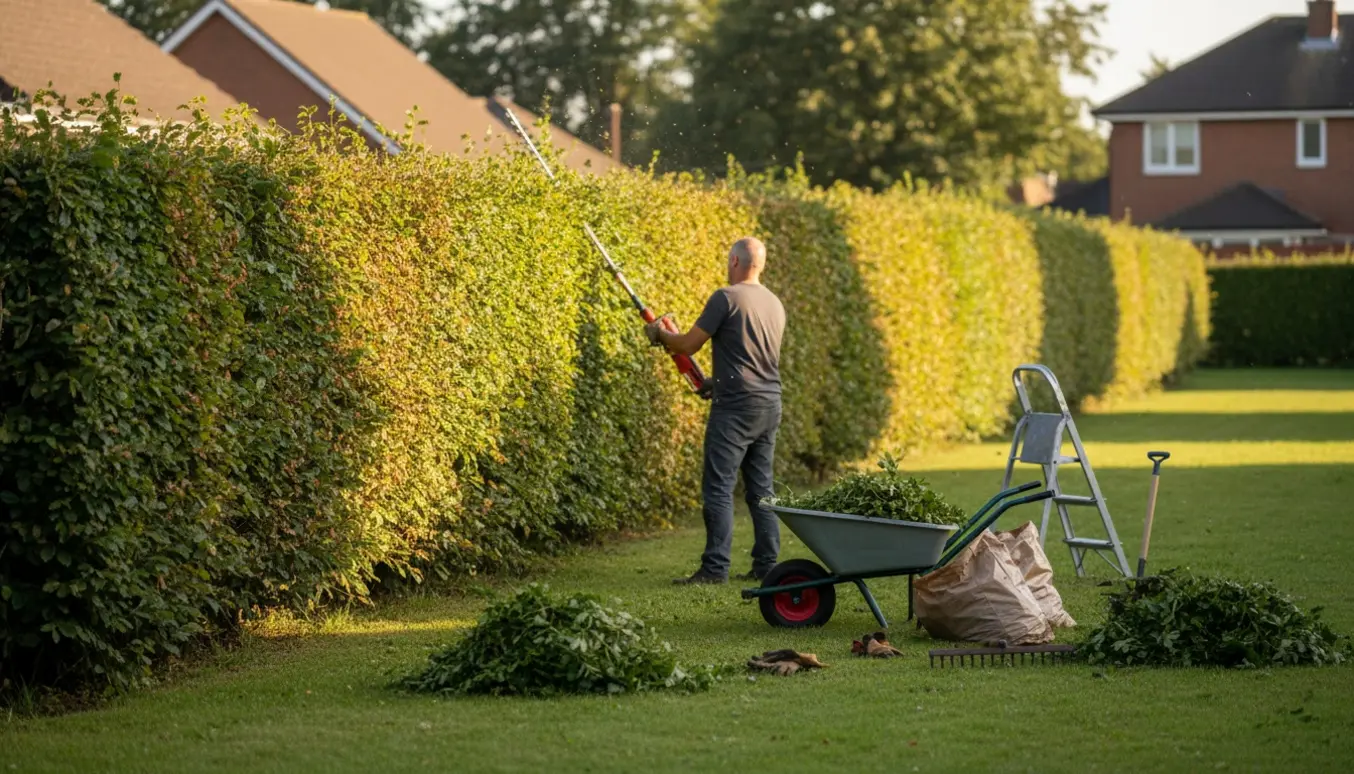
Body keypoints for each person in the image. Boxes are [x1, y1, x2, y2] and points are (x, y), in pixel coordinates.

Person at [645, 236, 786, 585]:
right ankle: (767, 566)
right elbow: (752, 357)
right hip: (769, 404)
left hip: (736, 408)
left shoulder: (726, 297)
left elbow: (689, 343)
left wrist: (660, 335)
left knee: (719, 489)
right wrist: (715, 382)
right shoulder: (774, 302)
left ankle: (714, 569)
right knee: (761, 490)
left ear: (735, 262)